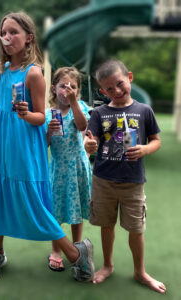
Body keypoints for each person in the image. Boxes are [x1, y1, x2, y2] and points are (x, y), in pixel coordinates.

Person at [0, 11, 94, 283]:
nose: (7, 37)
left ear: (29, 38)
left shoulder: (33, 73)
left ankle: (75, 254)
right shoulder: (2, 69)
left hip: (23, 143)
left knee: (32, 201)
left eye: (14, 32)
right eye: (4, 32)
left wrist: (25, 114)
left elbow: (42, 117)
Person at [84, 59, 166, 293]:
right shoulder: (99, 113)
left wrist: (146, 149)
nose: (117, 91)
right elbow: (91, 140)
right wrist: (89, 145)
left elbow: (156, 141)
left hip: (133, 182)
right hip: (103, 180)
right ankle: (108, 265)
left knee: (136, 229)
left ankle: (140, 272)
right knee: (106, 225)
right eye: (109, 89)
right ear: (102, 91)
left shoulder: (143, 111)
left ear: (129, 77)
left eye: (120, 84)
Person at [45, 67, 92, 272]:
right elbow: (43, 145)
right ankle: (56, 250)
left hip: (77, 166)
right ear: (54, 89)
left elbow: (83, 126)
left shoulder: (80, 106)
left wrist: (74, 103)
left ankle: (76, 247)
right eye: (63, 86)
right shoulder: (47, 114)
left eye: (73, 86)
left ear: (78, 91)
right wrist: (49, 131)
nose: (68, 89)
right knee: (55, 209)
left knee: (77, 208)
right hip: (58, 167)